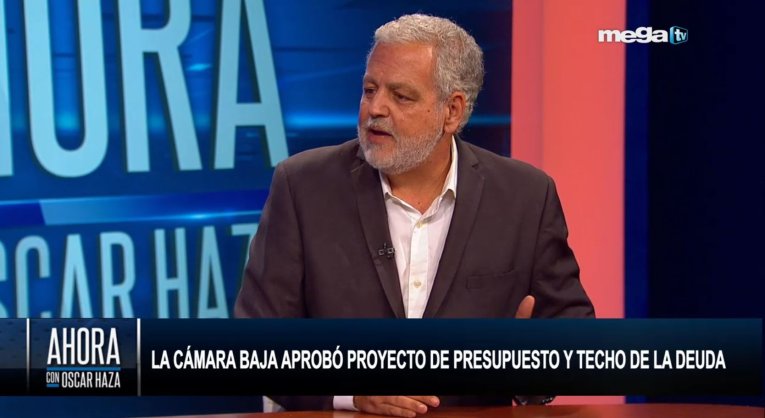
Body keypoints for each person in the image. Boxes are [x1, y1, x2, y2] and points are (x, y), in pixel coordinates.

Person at [234, 13, 594, 417]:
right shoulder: (303, 186)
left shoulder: (525, 197)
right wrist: (350, 393)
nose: (375, 108)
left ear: (452, 111)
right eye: (370, 89)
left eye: (401, 96)